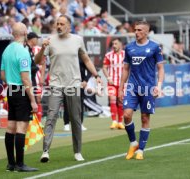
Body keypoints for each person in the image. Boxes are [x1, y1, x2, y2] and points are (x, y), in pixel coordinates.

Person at [35, 15, 102, 162]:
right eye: (57, 23)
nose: (58, 26)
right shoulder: (50, 40)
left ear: (68, 26)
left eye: (62, 24)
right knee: (51, 117)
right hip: (55, 85)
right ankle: (45, 151)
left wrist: (96, 74)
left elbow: (86, 59)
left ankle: (77, 151)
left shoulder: (77, 40)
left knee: (75, 119)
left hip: (73, 85)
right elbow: (38, 61)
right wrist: (42, 48)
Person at [118, 21, 164, 160]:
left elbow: (161, 68)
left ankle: (141, 150)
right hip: (132, 87)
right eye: (135, 29)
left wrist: (159, 86)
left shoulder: (155, 47)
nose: (136, 32)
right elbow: (126, 69)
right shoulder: (129, 47)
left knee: (145, 118)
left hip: (148, 88)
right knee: (126, 115)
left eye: (139, 30)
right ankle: (133, 143)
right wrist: (121, 88)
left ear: (146, 32)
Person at [0, 22, 38, 172]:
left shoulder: (6, 50)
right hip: (21, 91)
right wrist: (33, 100)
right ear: (24, 32)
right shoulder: (23, 51)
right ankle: (20, 164)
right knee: (21, 127)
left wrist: (11, 81)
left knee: (11, 127)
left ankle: (11, 163)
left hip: (10, 89)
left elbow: (2, 75)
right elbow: (25, 79)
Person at [103, 38, 125, 130]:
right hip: (112, 82)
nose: (114, 45)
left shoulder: (126, 55)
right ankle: (114, 121)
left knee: (120, 102)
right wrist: (108, 78)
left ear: (120, 44)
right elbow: (104, 68)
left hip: (123, 83)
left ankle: (120, 122)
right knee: (112, 100)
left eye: (116, 43)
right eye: (113, 44)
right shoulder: (108, 55)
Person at [26, 32, 46, 122]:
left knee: (38, 98)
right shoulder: (26, 49)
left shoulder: (38, 49)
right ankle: (32, 120)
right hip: (30, 77)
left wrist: (42, 77)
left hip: (37, 77)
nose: (38, 40)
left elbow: (43, 63)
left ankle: (38, 120)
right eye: (36, 38)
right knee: (32, 97)